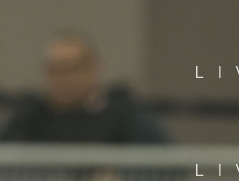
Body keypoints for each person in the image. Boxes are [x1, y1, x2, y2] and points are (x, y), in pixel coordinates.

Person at [1, 33, 169, 143]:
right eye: (56, 71)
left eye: (72, 69)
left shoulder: (123, 115)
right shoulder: (29, 117)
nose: (64, 79)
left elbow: (167, 164)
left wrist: (121, 177)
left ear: (94, 68)